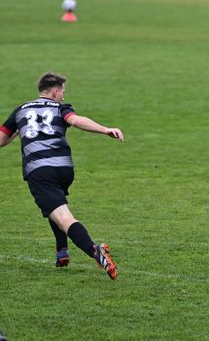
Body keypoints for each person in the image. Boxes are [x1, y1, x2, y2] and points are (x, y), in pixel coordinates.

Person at [0, 72, 123, 280]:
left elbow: (2, 139)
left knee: (64, 217)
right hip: (64, 169)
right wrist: (105, 130)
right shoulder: (61, 108)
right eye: (63, 92)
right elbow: (75, 120)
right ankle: (62, 251)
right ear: (55, 92)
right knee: (55, 206)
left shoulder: (21, 110)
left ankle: (95, 251)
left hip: (40, 171)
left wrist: (21, 130)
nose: (63, 96)